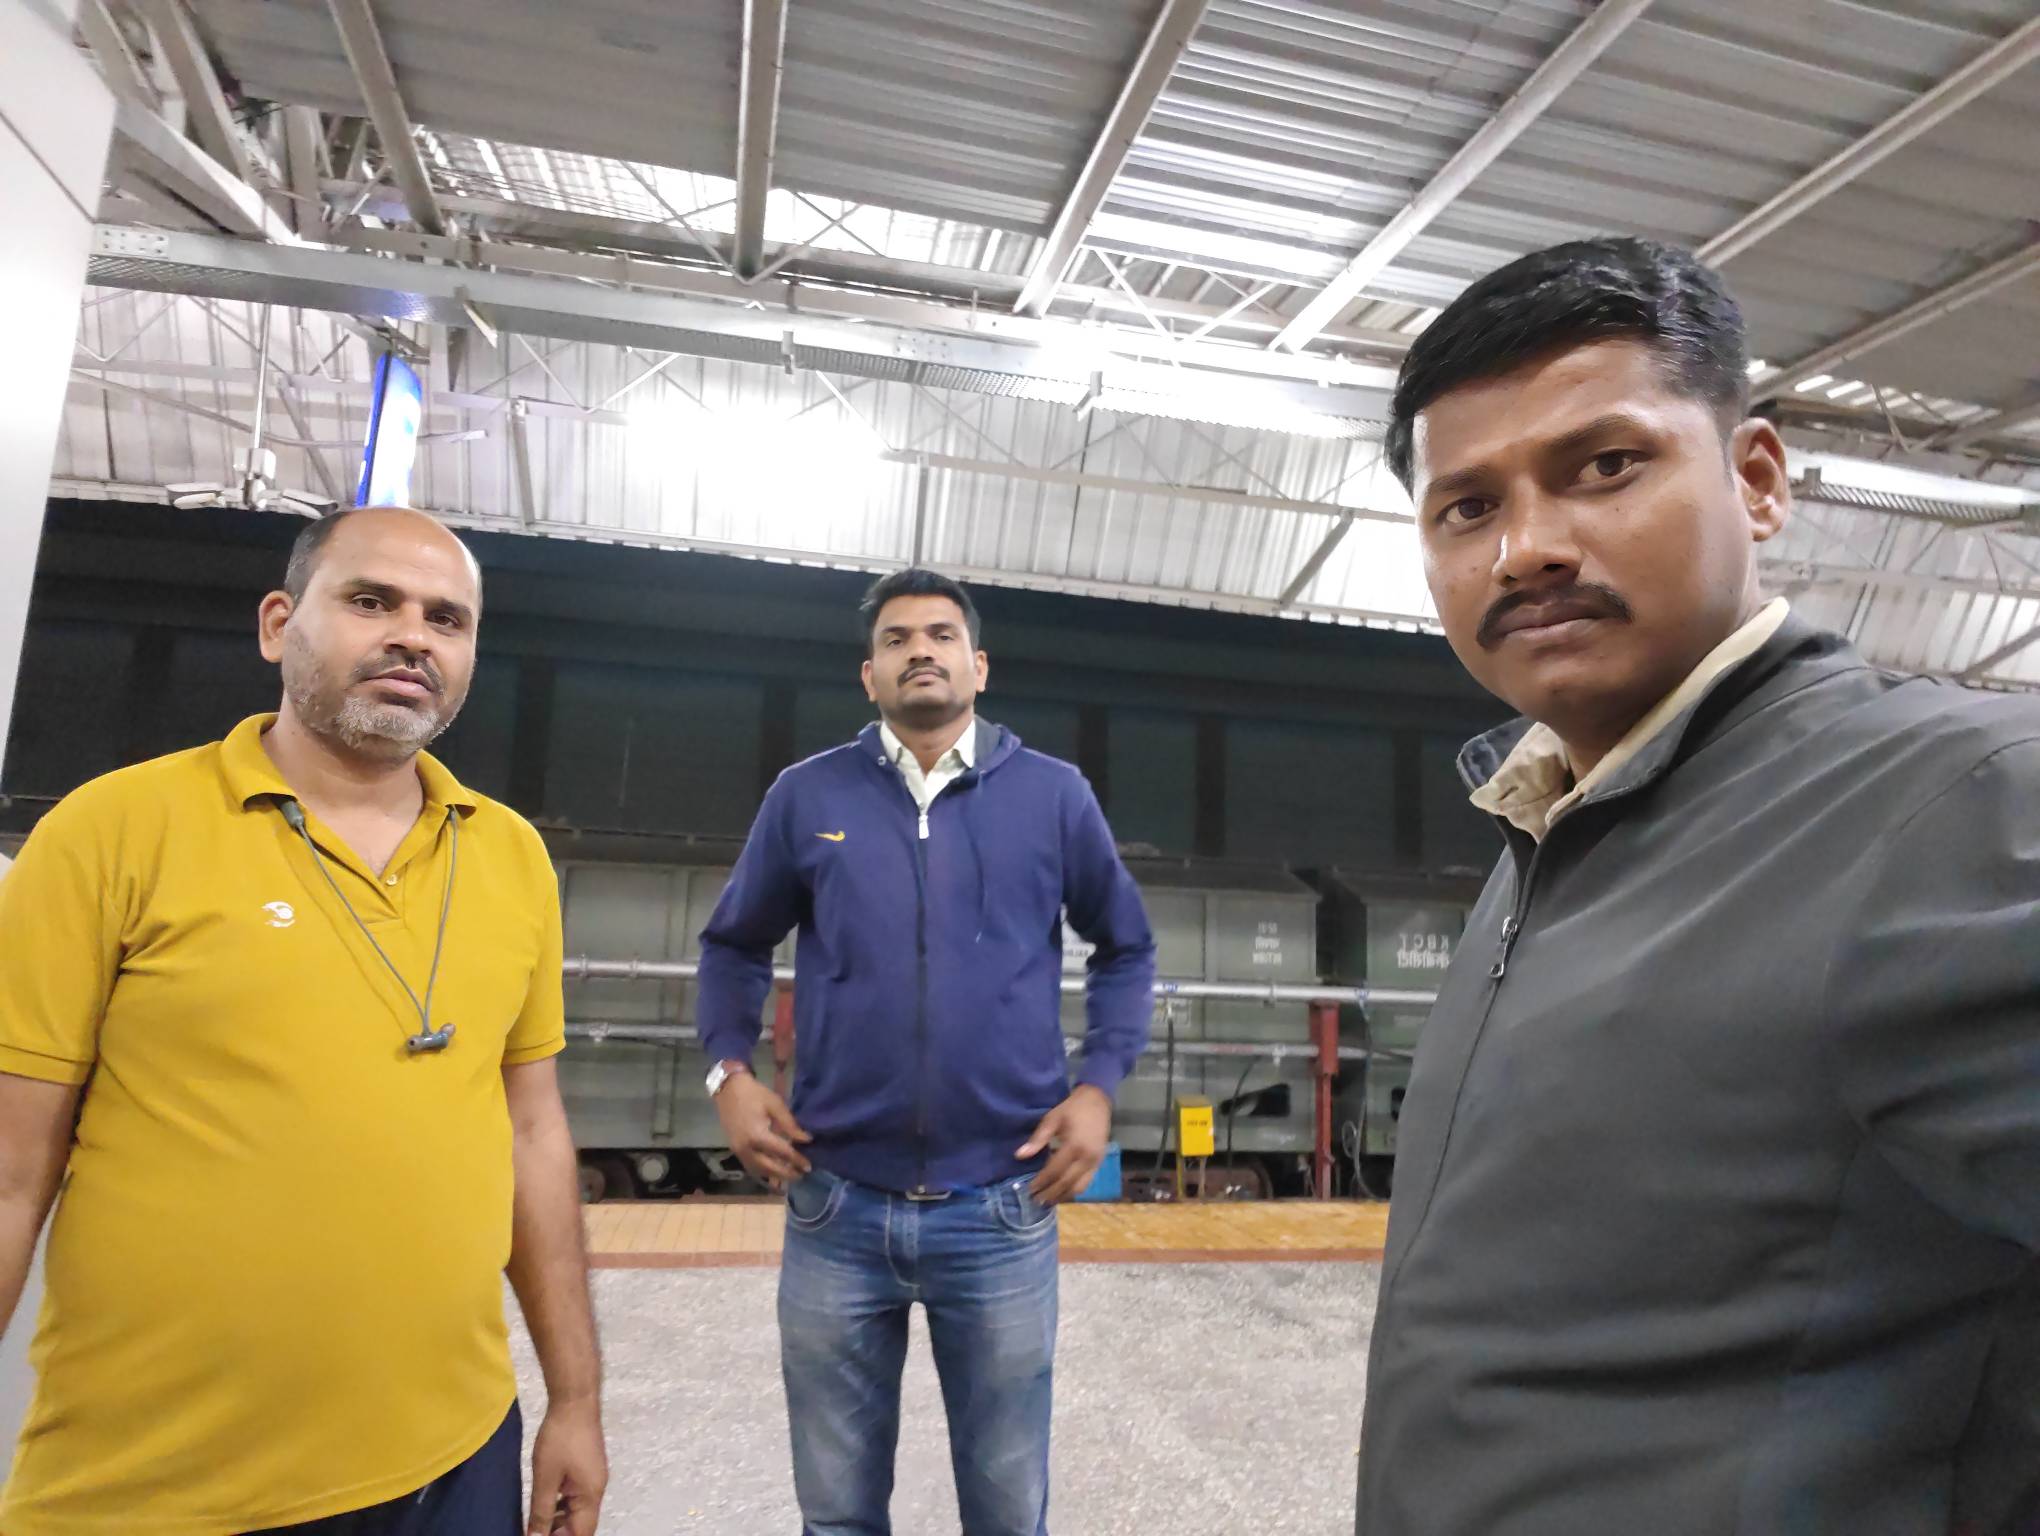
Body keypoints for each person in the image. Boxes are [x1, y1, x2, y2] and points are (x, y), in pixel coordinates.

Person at [1357, 237, 2040, 1535]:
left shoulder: (1962, 806)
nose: (1526, 549)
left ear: (1757, 479)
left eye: (1604, 466)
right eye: (1468, 508)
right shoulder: (1549, 835)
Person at [0, 507, 607, 1536]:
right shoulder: (114, 831)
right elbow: (12, 1172)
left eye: (447, 619)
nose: (412, 636)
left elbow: (533, 1131)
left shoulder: (510, 856)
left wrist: (576, 1400)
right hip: (157, 1486)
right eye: (371, 601)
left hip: (456, 1461)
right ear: (279, 624)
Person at [697, 567, 1156, 1536]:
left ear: (978, 666)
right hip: (834, 1204)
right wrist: (727, 1073)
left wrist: (1099, 1086)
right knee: (837, 1513)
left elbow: (1126, 946)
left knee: (1005, 1511)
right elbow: (733, 945)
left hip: (1002, 1207)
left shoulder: (1054, 797)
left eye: (941, 635)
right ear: (869, 675)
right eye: (897, 639)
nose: (920, 651)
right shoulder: (807, 796)